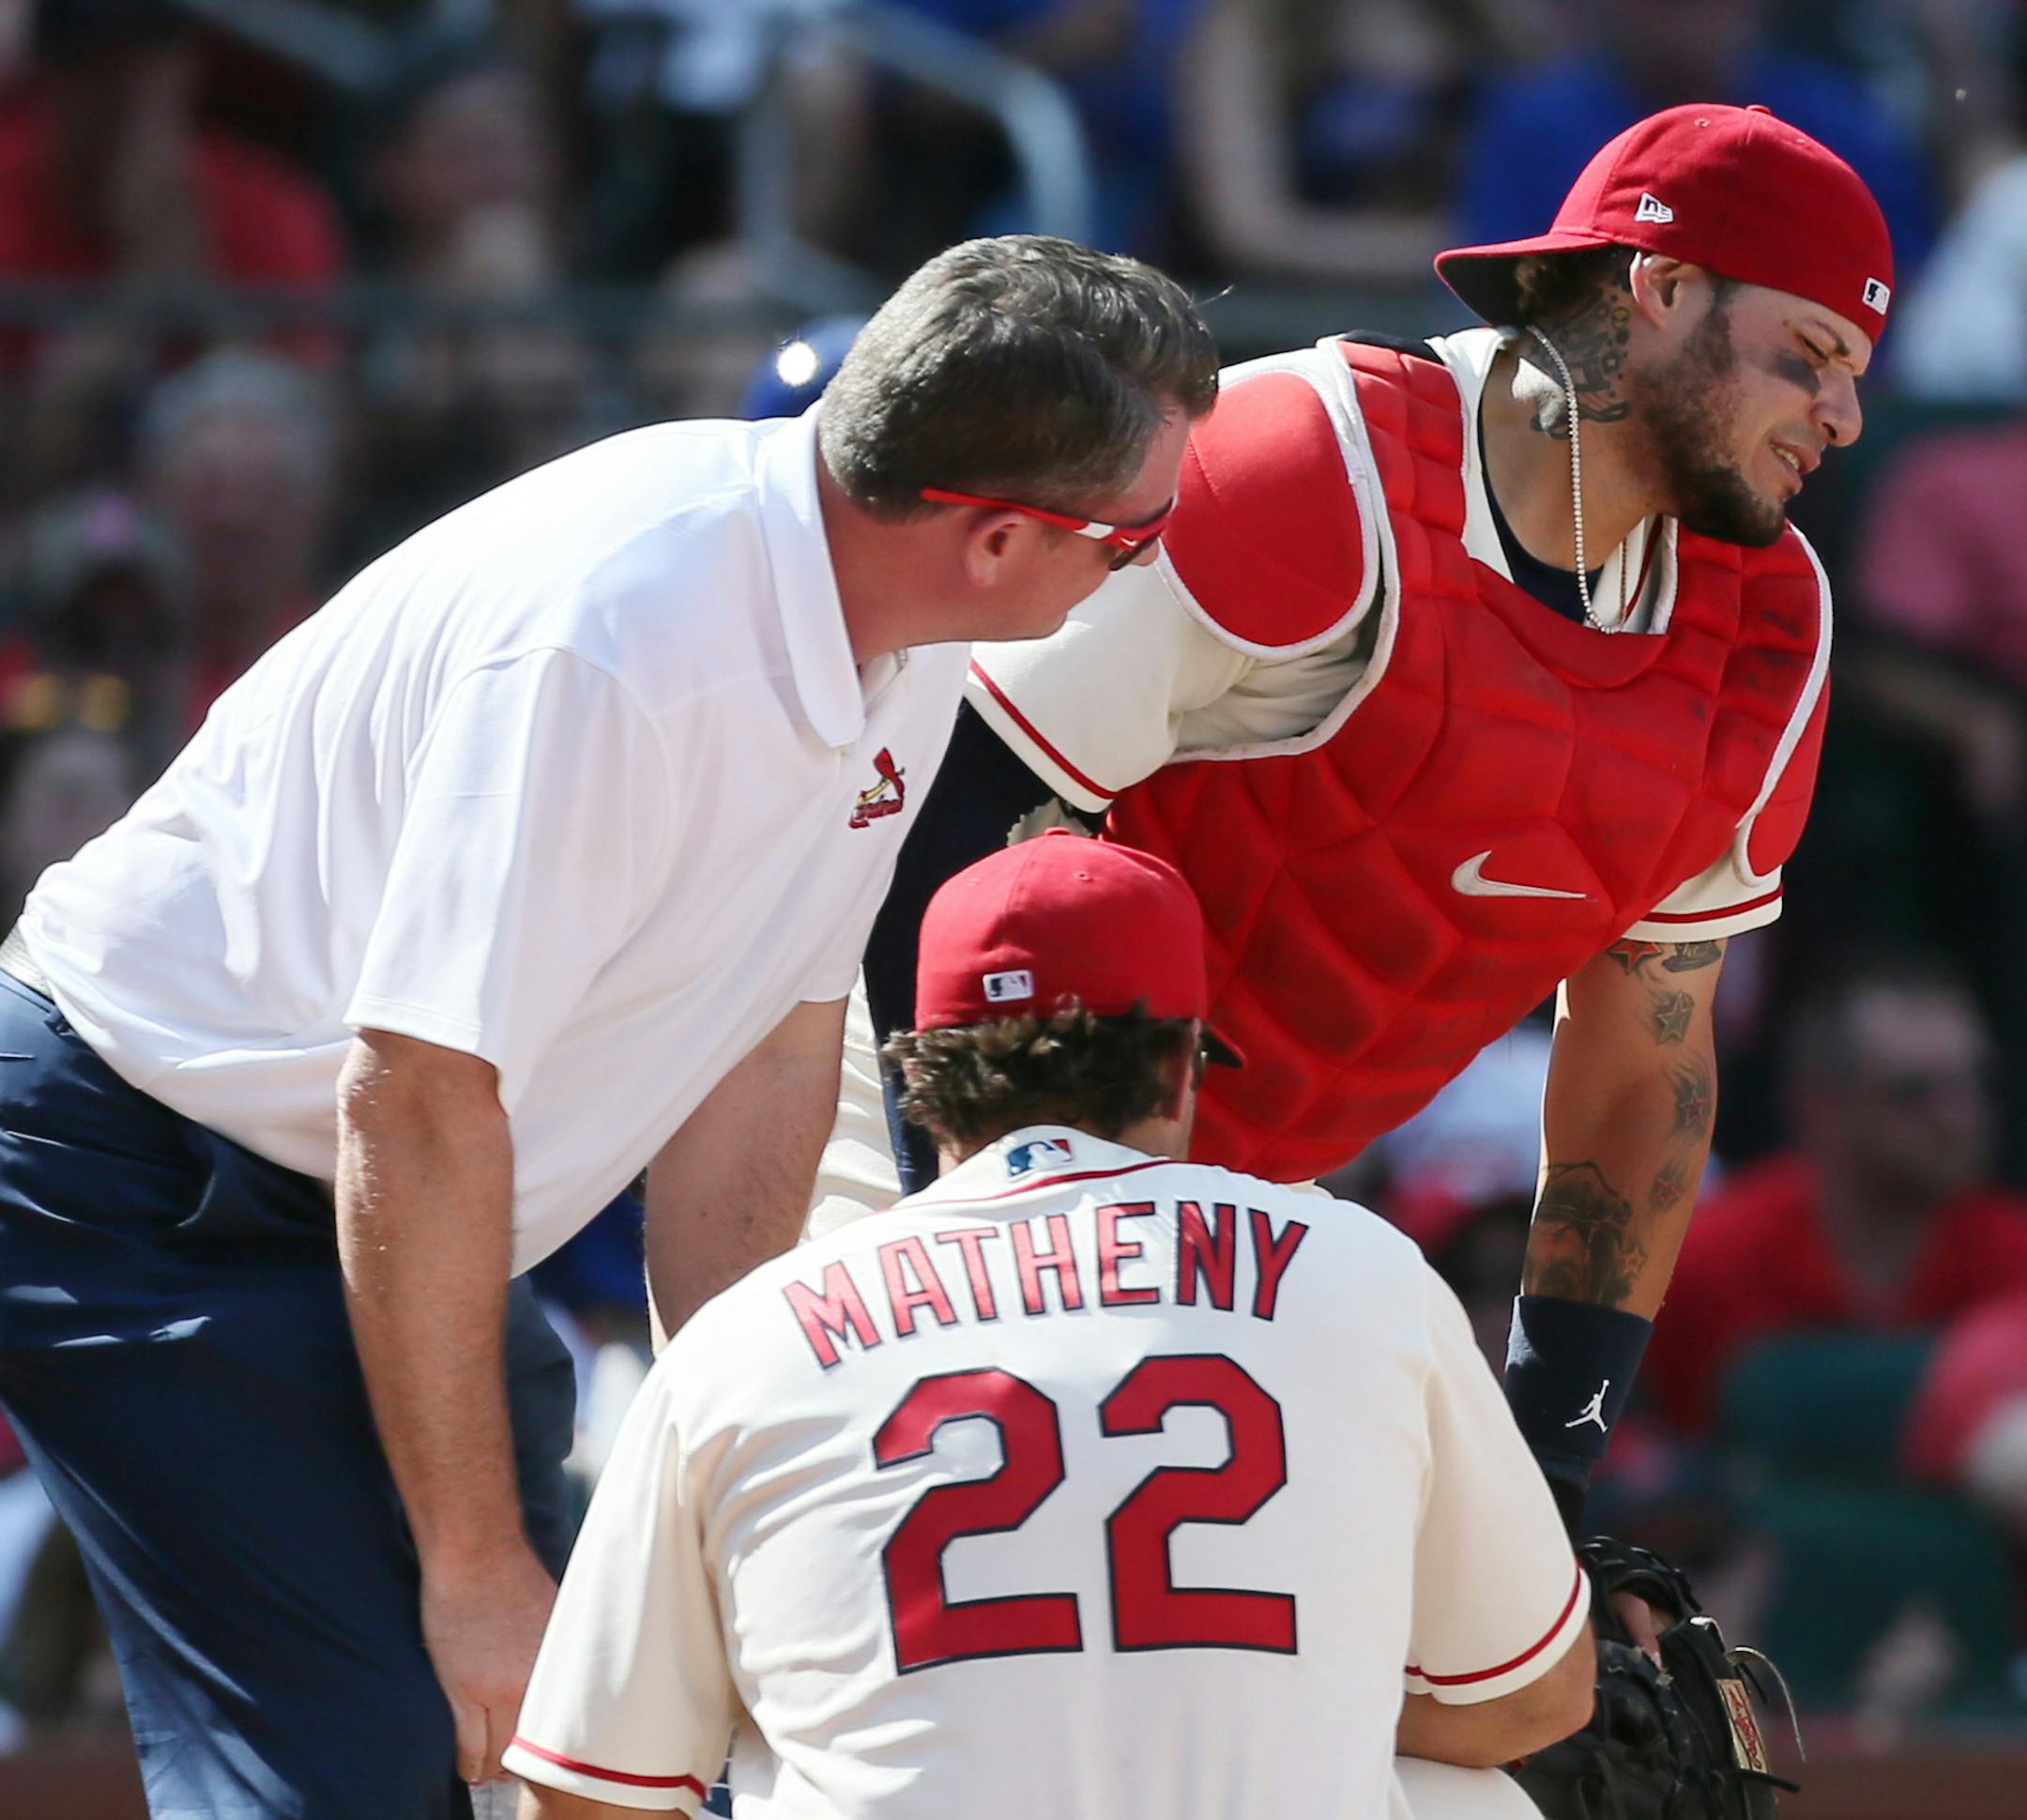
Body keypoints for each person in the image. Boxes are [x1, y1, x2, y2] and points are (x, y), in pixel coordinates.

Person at [0, 233, 1218, 1819]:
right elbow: (415, 1093)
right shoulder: (619, 637)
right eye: (1140, 538)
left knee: (623, 1753)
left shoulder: (898, 618)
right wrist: (475, 1571)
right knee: (372, 1763)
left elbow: (769, 1053)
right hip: (136, 1168)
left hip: (361, 1195)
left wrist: (735, 1467)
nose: (1149, 563)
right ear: (994, 535)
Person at [831, 103, 1892, 1547]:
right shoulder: (1312, 457)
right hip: (898, 1174)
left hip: (1216, 1233)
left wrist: (1550, 1464)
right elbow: (933, 838)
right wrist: (986, 1262)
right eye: (1814, 355)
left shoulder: (1769, 621)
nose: (1845, 416)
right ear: (1661, 288)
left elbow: (1646, 1069)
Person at [508, 831, 1593, 1820]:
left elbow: (587, 1793)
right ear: (1179, 1067)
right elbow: (1535, 1695)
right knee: (1472, 1801)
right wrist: (1269, 1689)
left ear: (921, 1079)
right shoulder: (1357, 1268)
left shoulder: (749, 1335)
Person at [1642, 957, 2027, 1438]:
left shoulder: (2011, 1255)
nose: (1959, 1119)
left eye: (1974, 1084)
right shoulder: (1704, 1260)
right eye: (1914, 1093)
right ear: (1820, 1107)